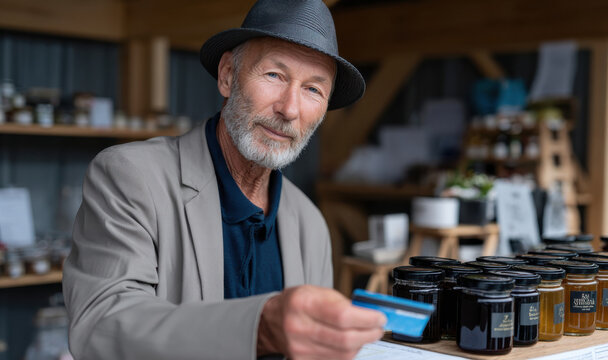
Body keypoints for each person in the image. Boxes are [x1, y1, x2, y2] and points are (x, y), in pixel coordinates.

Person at [62, 0, 386, 359]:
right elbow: (102, 326)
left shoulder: (310, 224)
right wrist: (260, 328)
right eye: (274, 75)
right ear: (228, 75)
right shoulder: (130, 176)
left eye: (313, 89)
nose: (289, 109)